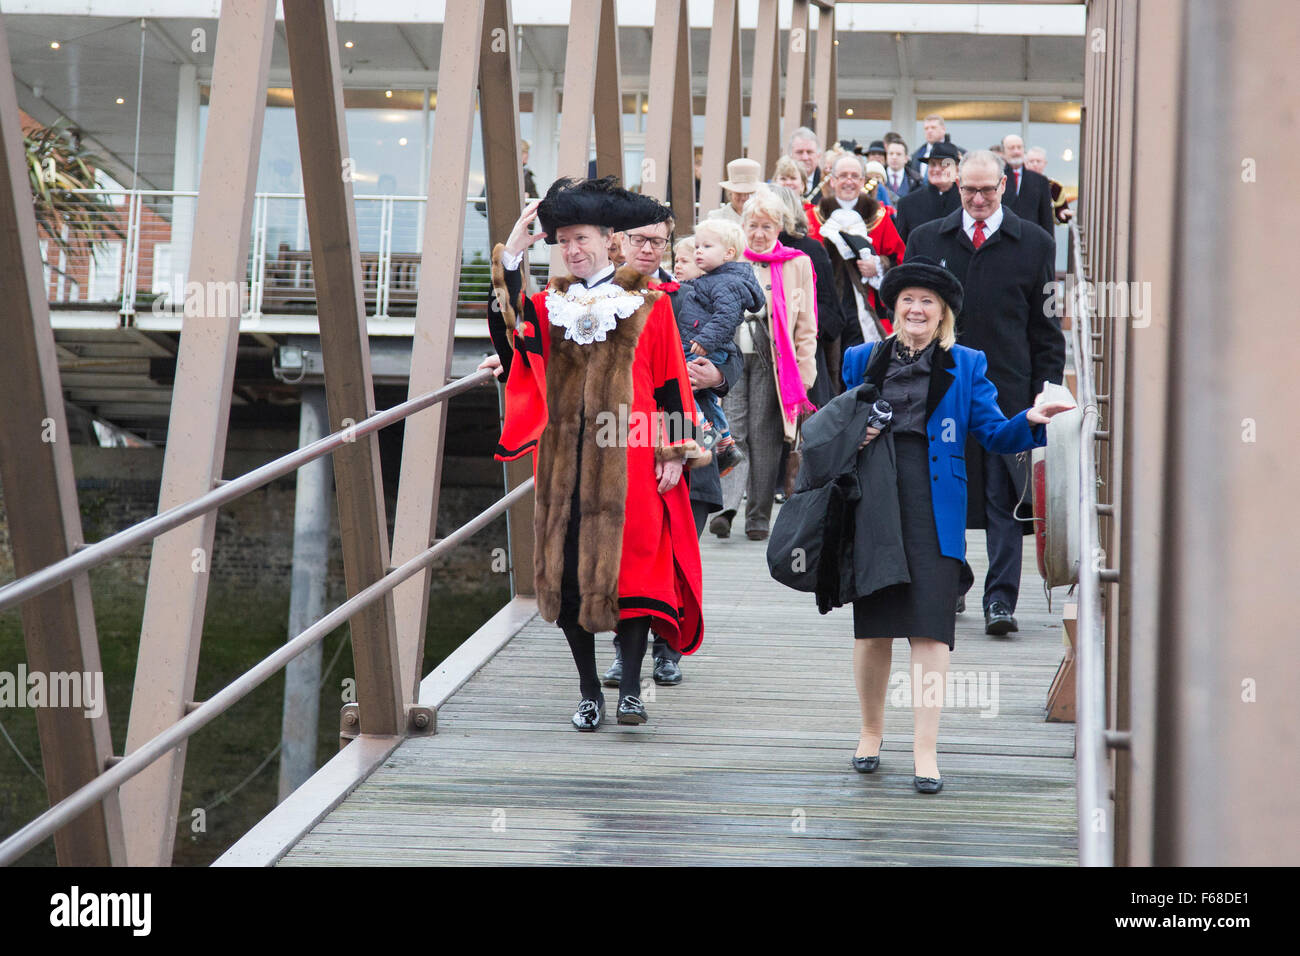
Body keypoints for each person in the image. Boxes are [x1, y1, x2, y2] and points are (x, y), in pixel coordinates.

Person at [840, 258, 1076, 793]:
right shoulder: (861, 359)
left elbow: (993, 433)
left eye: (928, 301)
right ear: (893, 307)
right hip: (872, 501)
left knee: (930, 629)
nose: (916, 308)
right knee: (874, 628)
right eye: (907, 300)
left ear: (942, 312)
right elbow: (835, 421)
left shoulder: (966, 364)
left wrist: (1032, 423)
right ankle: (871, 732)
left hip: (934, 503)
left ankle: (926, 748)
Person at [485, 177, 708, 729]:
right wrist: (513, 252)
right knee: (564, 573)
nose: (572, 249)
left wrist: (676, 451)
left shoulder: (649, 304)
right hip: (562, 457)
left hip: (630, 453)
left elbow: (672, 383)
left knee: (634, 571)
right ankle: (588, 689)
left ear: (609, 240)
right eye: (562, 240)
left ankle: (630, 689)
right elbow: (505, 329)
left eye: (580, 237)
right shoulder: (547, 305)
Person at [905, 150, 1065, 636]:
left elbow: (1047, 326)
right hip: (942, 387)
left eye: (987, 190)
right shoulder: (926, 238)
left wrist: (1047, 393)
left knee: (1003, 499)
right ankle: (953, 581)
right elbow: (910, 315)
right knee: (942, 492)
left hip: (1009, 391)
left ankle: (1001, 600)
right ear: (957, 187)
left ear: (1003, 187)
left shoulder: (1035, 243)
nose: (977, 199)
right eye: (968, 190)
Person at [598, 216, 741, 690]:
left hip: (690, 434)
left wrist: (715, 378)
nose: (649, 249)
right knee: (628, 550)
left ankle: (669, 646)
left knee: (681, 544)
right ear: (618, 243)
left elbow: (732, 359)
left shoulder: (690, 291)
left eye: (658, 241)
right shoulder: (602, 295)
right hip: (625, 440)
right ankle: (627, 649)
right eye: (640, 239)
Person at [711, 188, 818, 541]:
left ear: (779, 228)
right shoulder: (729, 259)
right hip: (732, 356)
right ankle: (727, 507)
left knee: (766, 436)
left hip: (775, 360)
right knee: (732, 429)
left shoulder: (797, 262)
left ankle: (758, 516)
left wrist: (805, 375)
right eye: (753, 225)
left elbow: (805, 325)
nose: (759, 233)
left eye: (767, 227)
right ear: (742, 226)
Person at [675, 218, 765, 474]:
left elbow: (726, 319)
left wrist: (705, 341)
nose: (698, 251)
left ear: (728, 254)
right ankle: (725, 441)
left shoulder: (725, 282)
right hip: (701, 343)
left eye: (705, 246)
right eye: (696, 247)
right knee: (704, 395)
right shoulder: (715, 280)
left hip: (701, 345)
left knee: (683, 384)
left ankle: (705, 433)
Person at [814, 152, 906, 354]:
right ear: (833, 180)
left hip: (866, 307)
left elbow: (899, 259)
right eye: (843, 175)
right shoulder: (813, 218)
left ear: (863, 181)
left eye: (855, 176)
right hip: (824, 308)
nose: (849, 181)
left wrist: (879, 265)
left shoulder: (880, 218)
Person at [772, 185, 846, 409]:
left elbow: (832, 313)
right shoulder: (746, 252)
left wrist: (795, 323)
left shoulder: (809, 249)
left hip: (801, 357)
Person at [892, 141, 962, 245]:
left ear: (956, 169)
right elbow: (900, 249)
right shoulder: (907, 204)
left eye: (944, 164)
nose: (937, 169)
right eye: (933, 164)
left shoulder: (967, 202)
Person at [1000, 134, 1056, 237]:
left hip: (1032, 239)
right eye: (1011, 148)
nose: (1016, 151)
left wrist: (1050, 245)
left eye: (1019, 147)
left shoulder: (1040, 181)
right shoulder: (996, 178)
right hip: (1004, 239)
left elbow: (1046, 218)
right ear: (1003, 152)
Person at [770, 154, 822, 240]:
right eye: (783, 178)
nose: (788, 183)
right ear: (775, 183)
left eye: (793, 178)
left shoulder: (815, 214)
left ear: (803, 185)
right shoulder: (766, 211)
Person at [907, 114, 965, 183]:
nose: (929, 131)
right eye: (926, 128)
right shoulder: (916, 156)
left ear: (943, 129)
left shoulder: (960, 153)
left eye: (933, 127)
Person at [1024, 146, 1074, 223]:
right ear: (1025, 164)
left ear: (1045, 163)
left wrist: (1062, 213)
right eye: (1031, 161)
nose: (1035, 164)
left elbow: (1061, 209)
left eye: (1038, 161)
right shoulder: (1018, 184)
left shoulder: (1055, 187)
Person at [709, 157, 762, 223]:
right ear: (730, 192)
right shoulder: (716, 217)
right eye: (738, 193)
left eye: (749, 193)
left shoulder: (764, 216)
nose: (743, 197)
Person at [789, 126, 824, 202]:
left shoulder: (826, 187)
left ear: (818, 156)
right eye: (799, 152)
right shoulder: (781, 185)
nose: (805, 157)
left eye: (809, 152)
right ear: (790, 156)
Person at [882, 138, 921, 204]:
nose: (894, 157)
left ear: (906, 158)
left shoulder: (917, 180)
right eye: (891, 153)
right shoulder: (877, 178)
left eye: (898, 154)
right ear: (886, 156)